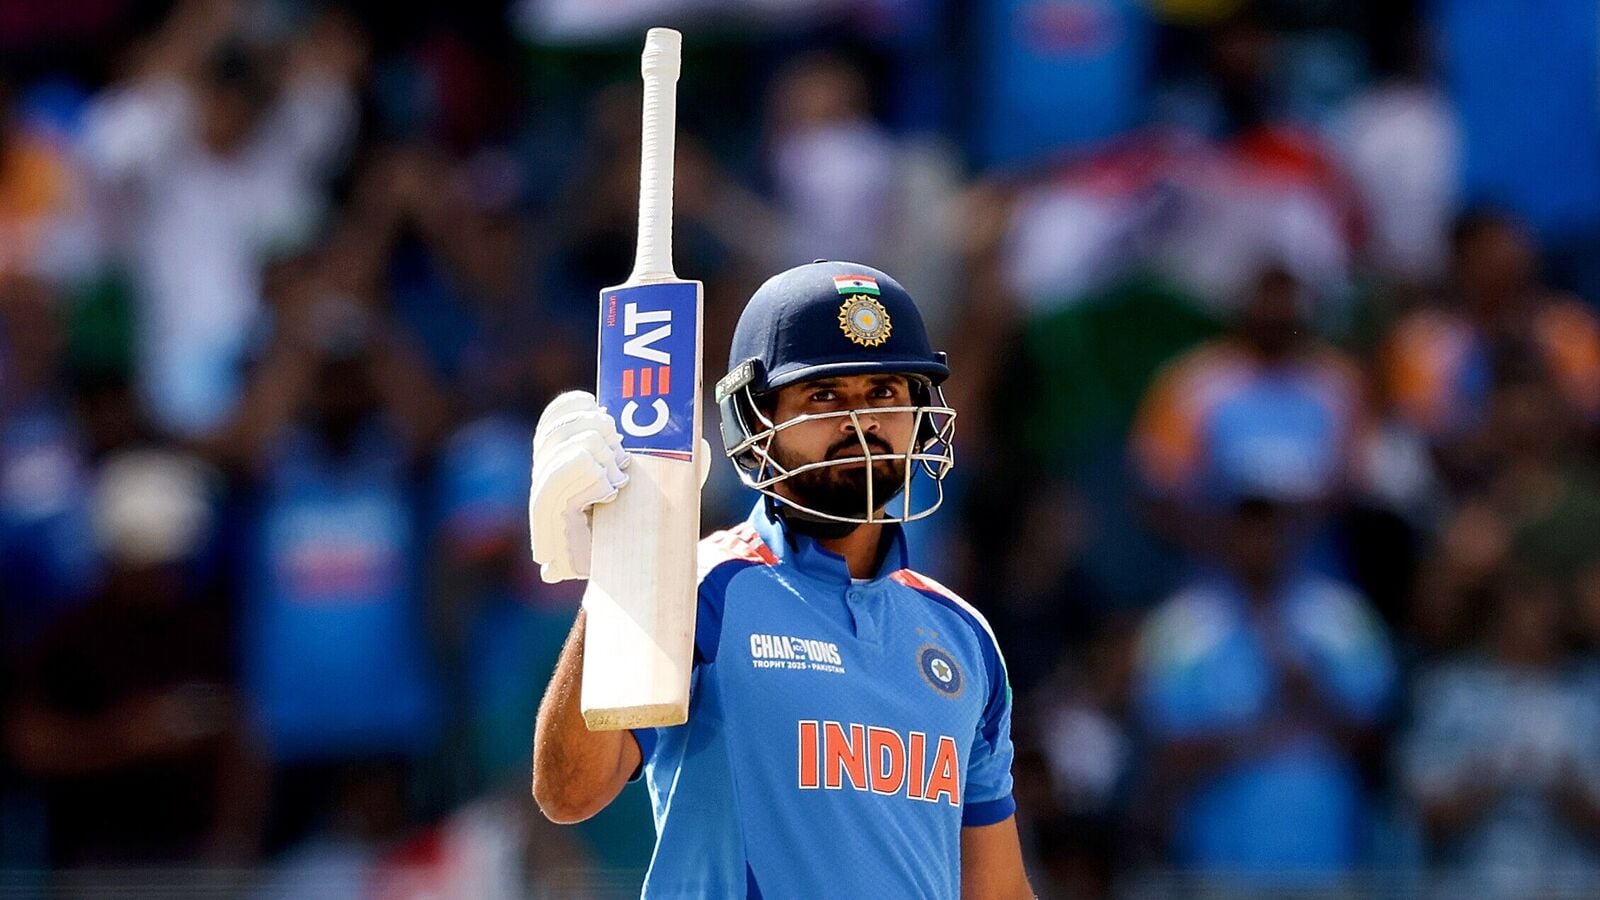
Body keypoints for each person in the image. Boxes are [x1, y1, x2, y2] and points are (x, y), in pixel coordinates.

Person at [529, 261, 1032, 898]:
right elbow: (569, 792)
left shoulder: (963, 637)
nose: (861, 423)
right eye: (824, 396)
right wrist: (615, 578)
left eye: (884, 392)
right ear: (758, 422)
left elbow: (999, 890)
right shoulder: (703, 589)